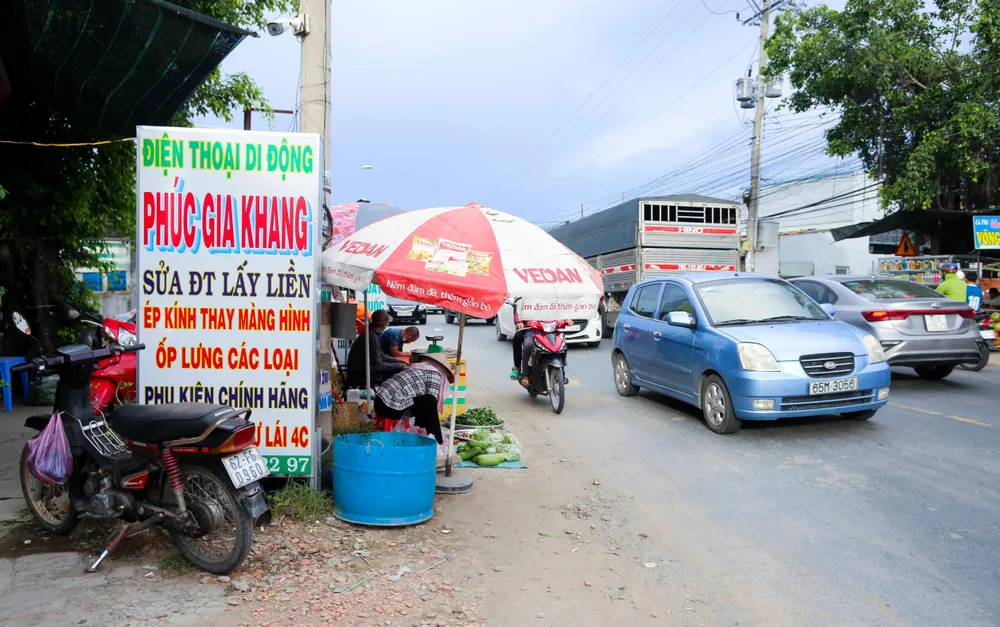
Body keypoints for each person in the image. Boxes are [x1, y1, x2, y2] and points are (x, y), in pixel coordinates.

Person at [374, 353, 454, 444]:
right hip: (388, 407)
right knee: (429, 401)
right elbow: (431, 402)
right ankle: (436, 440)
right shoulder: (434, 372)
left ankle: (420, 431)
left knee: (424, 401)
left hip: (379, 403)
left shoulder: (415, 368)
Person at [346, 310, 404, 388]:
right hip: (361, 376)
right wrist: (399, 365)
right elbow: (379, 365)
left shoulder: (371, 333)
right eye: (387, 323)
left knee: (398, 367)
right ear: (383, 325)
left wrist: (398, 362)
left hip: (361, 370)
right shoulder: (372, 337)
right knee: (398, 373)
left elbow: (381, 355)